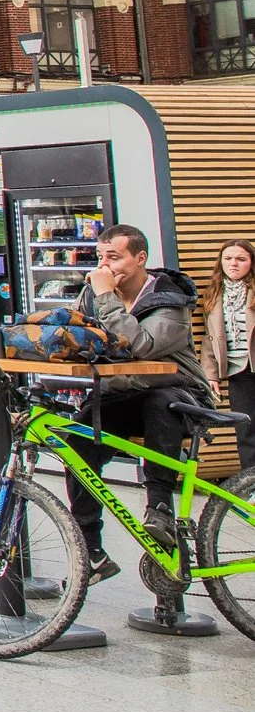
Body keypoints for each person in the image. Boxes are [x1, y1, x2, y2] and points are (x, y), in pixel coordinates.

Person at [67, 226, 212, 579]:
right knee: (78, 436)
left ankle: (159, 508)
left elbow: (140, 345)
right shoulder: (93, 295)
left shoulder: (169, 300)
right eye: (100, 257)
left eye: (114, 257)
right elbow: (74, 334)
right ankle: (90, 550)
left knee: (160, 402)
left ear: (140, 258)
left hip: (180, 396)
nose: (104, 265)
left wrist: (105, 296)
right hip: (123, 395)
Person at [199, 239, 255, 417]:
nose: (233, 263)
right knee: (245, 425)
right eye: (228, 258)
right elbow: (210, 337)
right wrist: (211, 375)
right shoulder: (214, 294)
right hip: (238, 370)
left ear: (251, 263)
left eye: (241, 259)